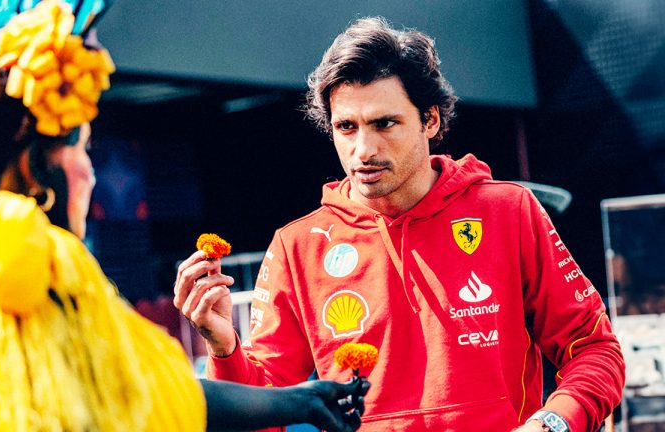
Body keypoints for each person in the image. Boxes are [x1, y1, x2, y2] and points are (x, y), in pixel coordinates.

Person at [0, 1, 369, 431]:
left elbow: (145, 386)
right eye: (83, 149)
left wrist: (301, 401)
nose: (90, 173)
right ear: (35, 168)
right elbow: (137, 397)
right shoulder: (26, 266)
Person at [174, 16, 625, 432]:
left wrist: (553, 423)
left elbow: (594, 349)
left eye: (384, 123)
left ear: (430, 120)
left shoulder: (508, 211)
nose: (363, 150)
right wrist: (224, 346)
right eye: (346, 127)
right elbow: (263, 410)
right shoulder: (297, 246)